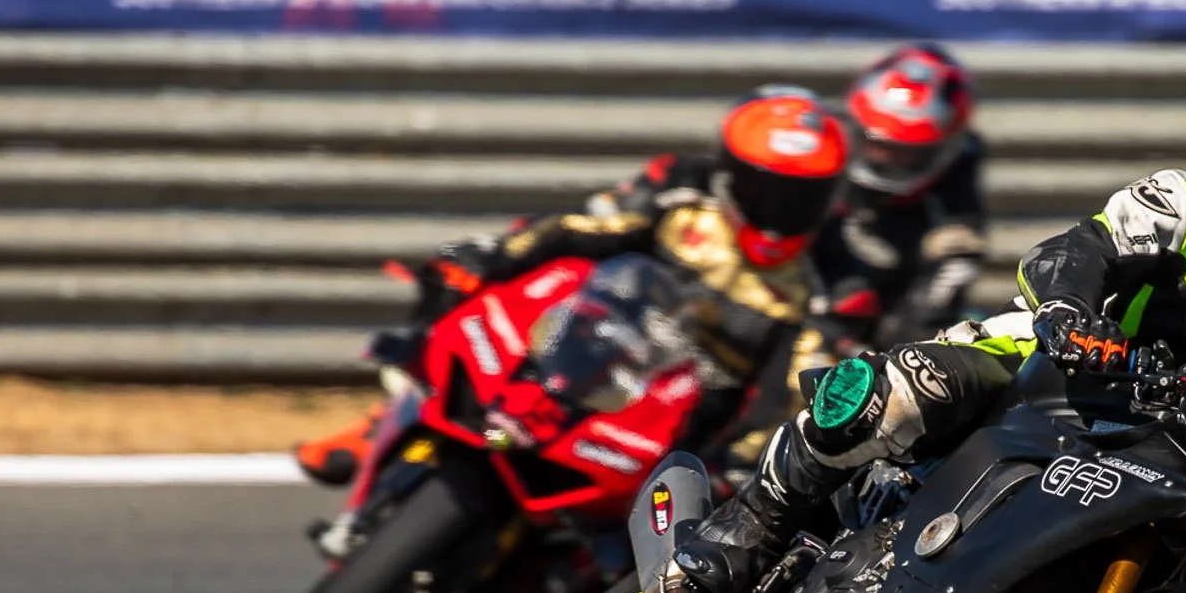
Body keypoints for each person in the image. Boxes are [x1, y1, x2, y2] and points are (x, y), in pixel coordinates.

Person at [668, 60, 1186, 593]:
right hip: (1060, 372)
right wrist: (1071, 316)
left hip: (1182, 450)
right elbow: (1077, 251)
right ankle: (756, 519)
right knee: (892, 393)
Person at [294, 89, 851, 484]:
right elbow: (580, 229)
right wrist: (493, 257)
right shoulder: (679, 192)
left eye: (800, 200)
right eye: (764, 191)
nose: (779, 214)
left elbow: (788, 395)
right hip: (592, 338)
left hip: (672, 426)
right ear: (729, 174)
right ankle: (389, 418)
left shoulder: (814, 294)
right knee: (498, 271)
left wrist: (738, 462)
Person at [807, 42, 991, 362]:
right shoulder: (819, 143)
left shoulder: (960, 163)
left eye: (903, 151)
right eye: (876, 143)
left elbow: (958, 250)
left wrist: (907, 349)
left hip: (894, 307)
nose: (882, 158)